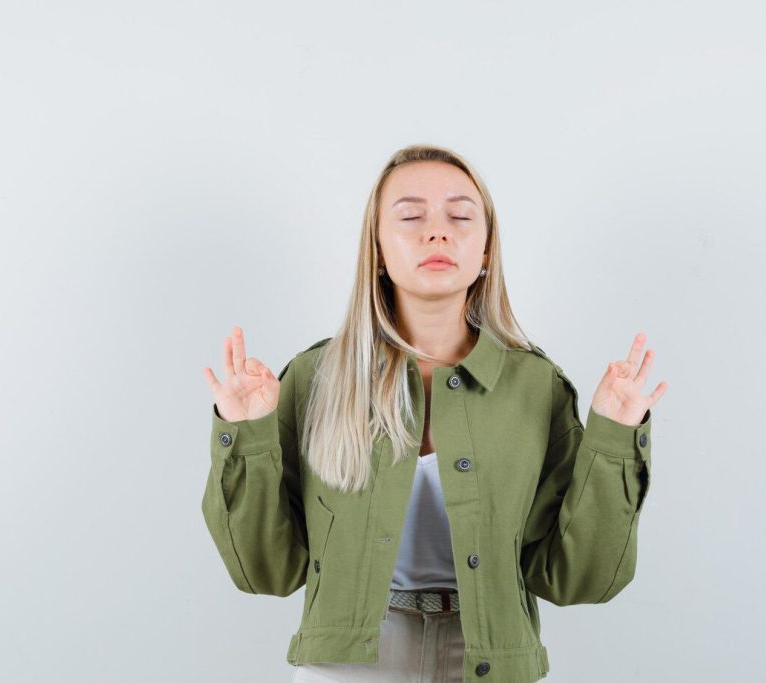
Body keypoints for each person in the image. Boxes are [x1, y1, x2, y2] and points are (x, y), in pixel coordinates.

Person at [201, 144, 667, 682]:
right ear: (376, 248)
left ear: (486, 248)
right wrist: (245, 435)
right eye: (411, 216)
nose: (438, 232)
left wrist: (614, 439)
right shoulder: (313, 378)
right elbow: (267, 571)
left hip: (489, 660)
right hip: (349, 664)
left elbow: (576, 580)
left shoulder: (538, 387)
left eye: (461, 216)